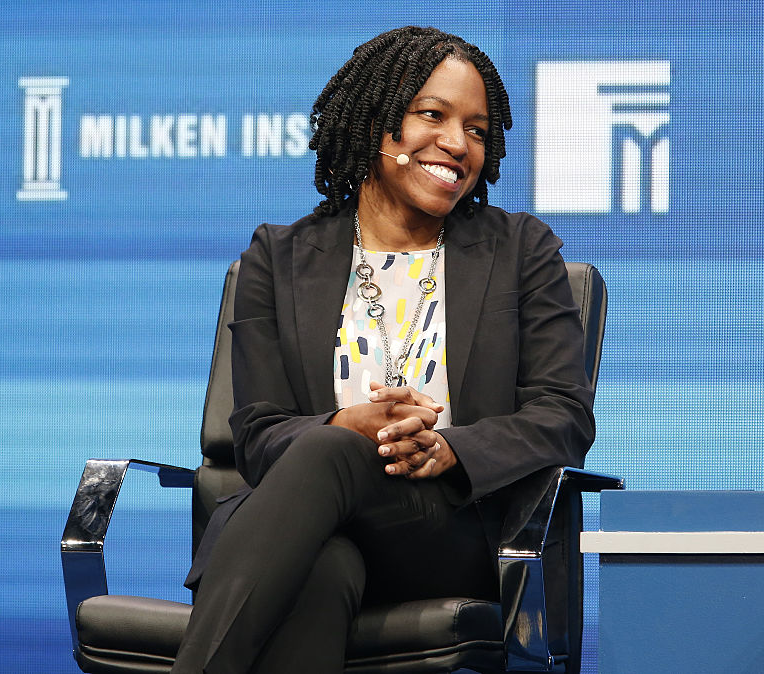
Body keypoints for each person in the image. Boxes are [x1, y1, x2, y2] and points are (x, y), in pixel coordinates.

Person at [171, 26, 595, 673]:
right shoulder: (277, 258)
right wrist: (346, 424)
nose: (458, 144)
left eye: (477, 129)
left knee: (330, 449)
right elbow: (255, 433)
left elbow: (563, 415)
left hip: (449, 532)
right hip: (305, 532)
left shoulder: (520, 251)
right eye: (433, 115)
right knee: (321, 564)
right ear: (375, 121)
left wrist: (449, 447)